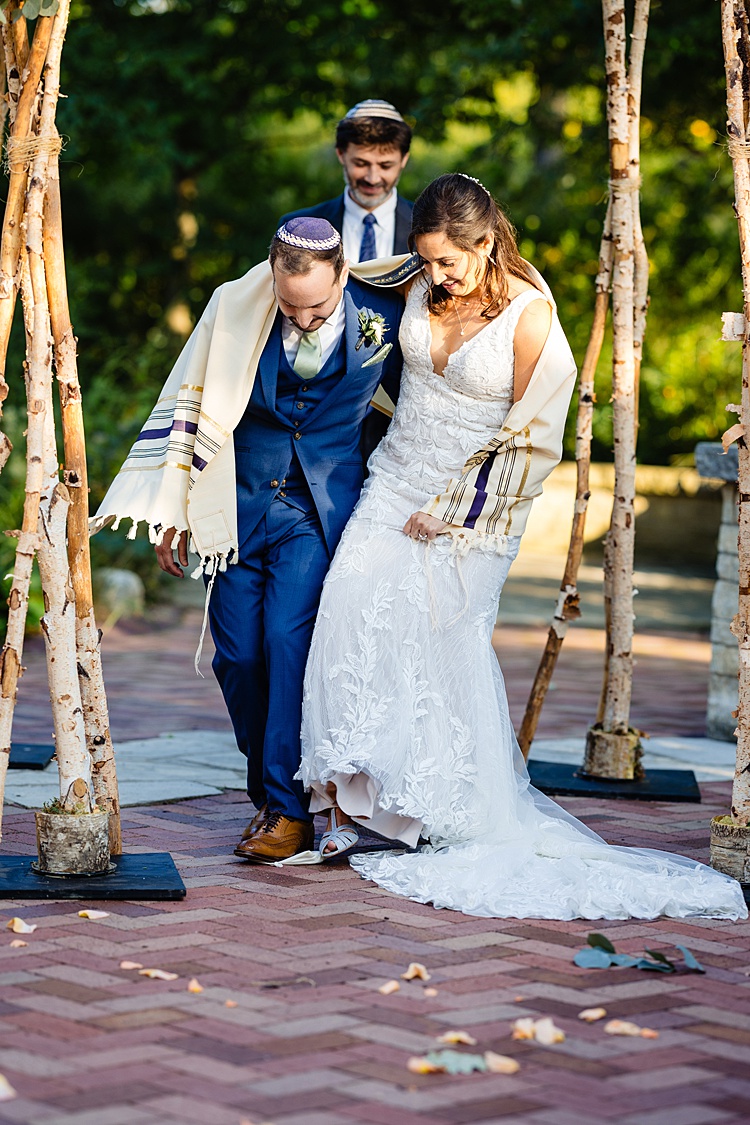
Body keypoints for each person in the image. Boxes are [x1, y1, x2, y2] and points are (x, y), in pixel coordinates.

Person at [296, 174, 747, 920]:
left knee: (442, 647)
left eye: (449, 263)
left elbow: (534, 437)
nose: (435, 276)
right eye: (426, 259)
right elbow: (340, 295)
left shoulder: (531, 317)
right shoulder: (409, 279)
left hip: (474, 511)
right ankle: (356, 806)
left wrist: (455, 509)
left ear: (486, 243)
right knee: (349, 614)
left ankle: (436, 810)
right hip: (393, 483)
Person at [92, 217, 411, 866]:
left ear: (343, 275)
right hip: (236, 509)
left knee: (287, 643)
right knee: (235, 657)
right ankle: (269, 791)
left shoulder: (384, 315)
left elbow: (416, 406)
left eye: (317, 304)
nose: (304, 317)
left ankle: (287, 810)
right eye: (290, 304)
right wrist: (174, 507)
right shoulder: (236, 309)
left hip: (317, 514)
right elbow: (190, 404)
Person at [280, 99, 414, 262]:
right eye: (360, 164)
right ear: (341, 154)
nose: (373, 178)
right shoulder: (296, 229)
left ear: (404, 159)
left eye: (385, 166)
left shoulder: (428, 226)